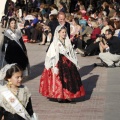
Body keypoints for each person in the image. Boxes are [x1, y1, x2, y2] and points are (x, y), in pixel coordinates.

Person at [39, 25, 85, 103]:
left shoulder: (67, 41)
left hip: (68, 62)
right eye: (62, 32)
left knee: (69, 80)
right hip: (58, 62)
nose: (64, 34)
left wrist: (75, 62)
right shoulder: (55, 43)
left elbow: (71, 53)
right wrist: (53, 65)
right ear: (58, 33)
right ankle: (59, 96)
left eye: (65, 32)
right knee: (60, 80)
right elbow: (50, 54)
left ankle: (68, 95)